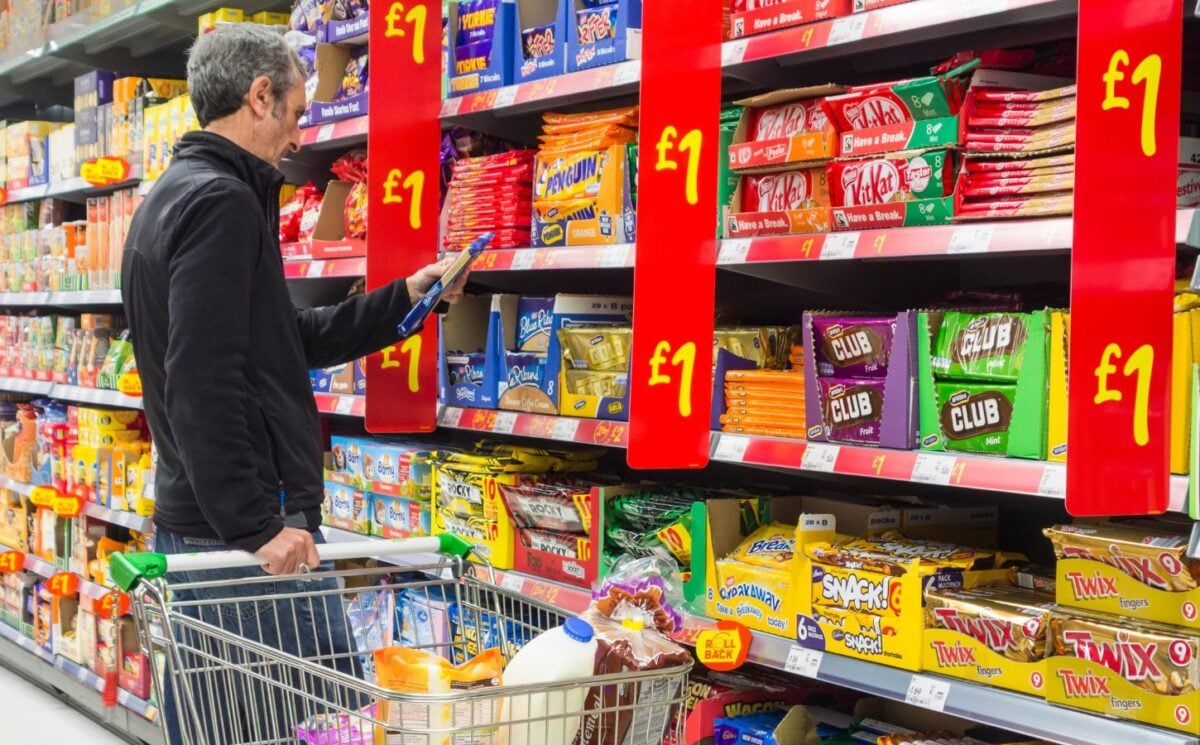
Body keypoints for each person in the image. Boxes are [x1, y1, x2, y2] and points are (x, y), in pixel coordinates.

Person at [120, 24, 462, 744]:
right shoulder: (223, 204)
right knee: (322, 724)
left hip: (204, 522)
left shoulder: (172, 195)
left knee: (227, 725)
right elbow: (200, 378)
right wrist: (257, 525)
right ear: (260, 96)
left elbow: (274, 345)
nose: (301, 137)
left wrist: (403, 298)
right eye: (299, 113)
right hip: (247, 538)